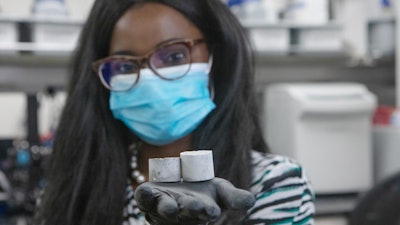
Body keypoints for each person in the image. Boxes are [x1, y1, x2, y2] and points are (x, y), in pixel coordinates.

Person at [34, 0, 315, 225]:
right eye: (124, 66)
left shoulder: (271, 183)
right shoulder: (73, 188)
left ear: (217, 56)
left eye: (173, 56)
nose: (149, 79)